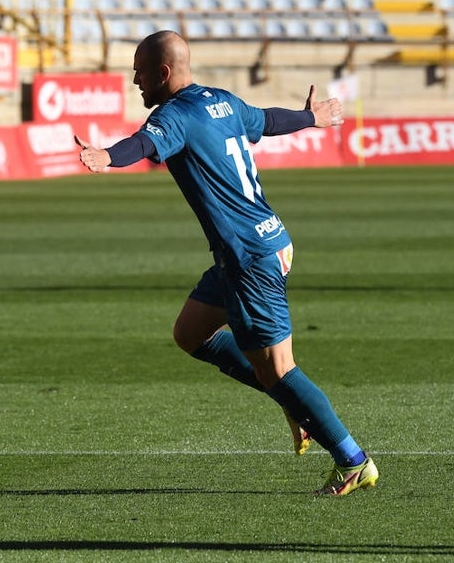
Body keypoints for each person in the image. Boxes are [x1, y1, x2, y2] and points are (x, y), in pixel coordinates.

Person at [75, 31, 378, 496]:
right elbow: (267, 119)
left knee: (279, 369)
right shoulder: (221, 101)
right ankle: (293, 403)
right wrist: (310, 117)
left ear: (163, 72)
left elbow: (141, 146)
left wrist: (104, 157)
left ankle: (352, 460)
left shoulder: (171, 116)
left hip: (248, 257)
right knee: (190, 333)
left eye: (139, 71)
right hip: (262, 244)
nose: (134, 80)